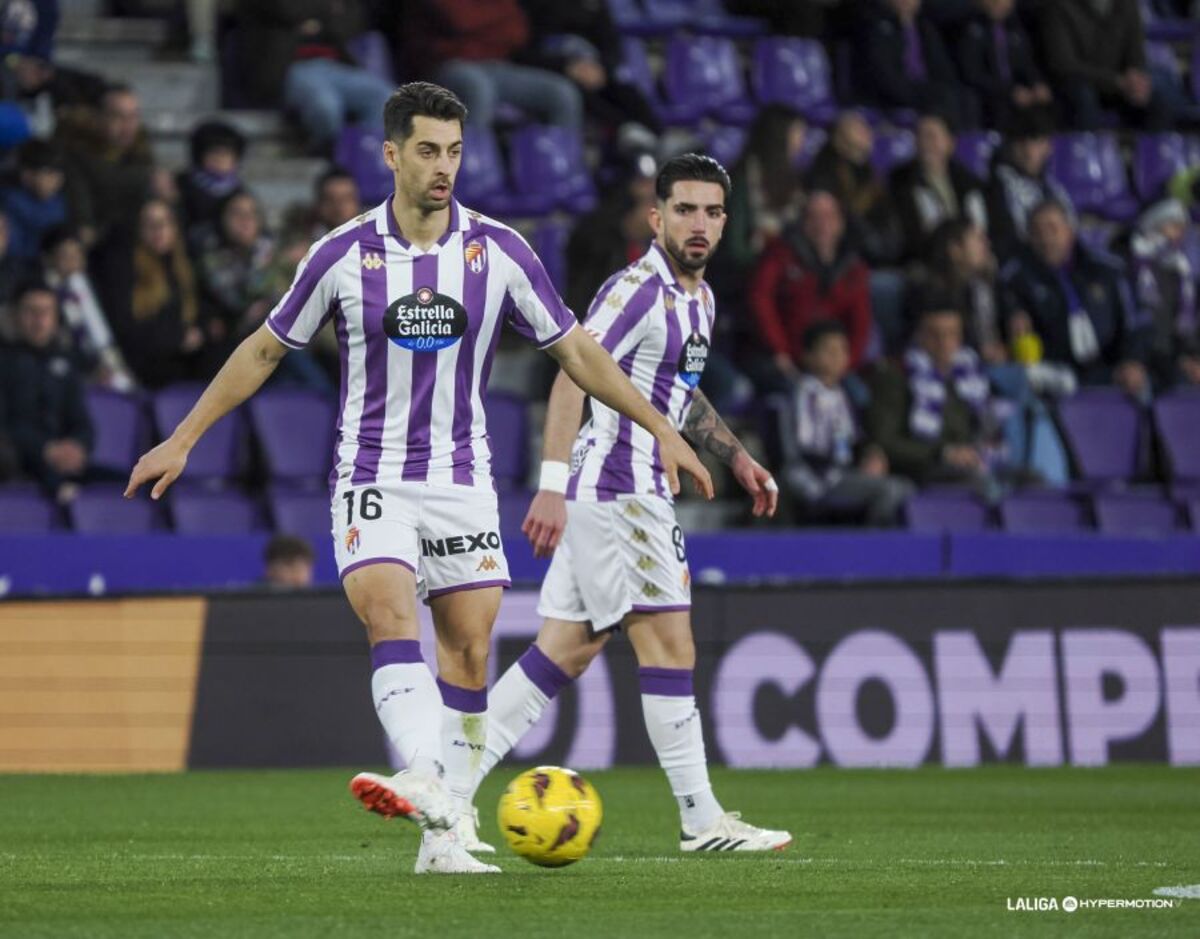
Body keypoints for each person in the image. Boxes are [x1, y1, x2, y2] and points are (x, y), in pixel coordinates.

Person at [123, 82, 712, 876]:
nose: (445, 168)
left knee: (468, 655)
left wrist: (661, 425)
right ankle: (429, 776)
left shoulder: (500, 251)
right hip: (372, 477)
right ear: (392, 154)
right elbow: (265, 348)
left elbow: (576, 353)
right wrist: (184, 437)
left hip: (463, 481)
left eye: (456, 151)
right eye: (429, 151)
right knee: (390, 615)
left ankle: (442, 837)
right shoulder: (340, 253)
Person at [465, 153, 789, 855]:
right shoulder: (636, 289)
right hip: (619, 486)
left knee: (563, 652)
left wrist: (734, 455)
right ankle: (702, 820)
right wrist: (550, 482)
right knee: (672, 644)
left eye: (710, 211)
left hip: (621, 489)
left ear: (725, 222)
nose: (697, 224)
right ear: (656, 217)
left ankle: (445, 788)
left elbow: (677, 390)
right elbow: (572, 373)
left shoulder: (698, 299)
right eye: (683, 210)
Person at [1000, 200, 1150, 398]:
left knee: (1146, 388)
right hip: (1060, 374)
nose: (1046, 238)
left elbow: (1136, 321)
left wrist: (1133, 360)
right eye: (1037, 232)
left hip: (1112, 368)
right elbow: (1012, 317)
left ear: (1069, 230)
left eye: (1052, 229)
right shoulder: (1017, 279)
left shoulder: (1107, 270)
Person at [866, 306, 1010, 491]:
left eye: (951, 334)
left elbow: (984, 430)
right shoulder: (895, 376)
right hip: (922, 466)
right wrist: (943, 453)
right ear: (919, 336)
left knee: (1031, 481)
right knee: (981, 483)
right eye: (934, 334)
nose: (944, 342)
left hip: (969, 462)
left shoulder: (970, 377)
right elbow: (885, 440)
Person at [783, 321, 913, 525]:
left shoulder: (841, 394)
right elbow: (808, 448)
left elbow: (851, 439)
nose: (837, 357)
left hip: (841, 474)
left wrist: (871, 454)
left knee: (904, 486)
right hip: (817, 479)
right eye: (829, 350)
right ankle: (872, 547)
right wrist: (852, 465)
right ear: (808, 356)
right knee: (891, 489)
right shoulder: (805, 392)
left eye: (842, 350)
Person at [748, 191, 873, 392]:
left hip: (834, 363)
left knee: (860, 396)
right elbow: (760, 299)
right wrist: (779, 350)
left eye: (829, 216)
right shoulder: (780, 254)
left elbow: (861, 323)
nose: (822, 224)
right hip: (786, 359)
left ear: (841, 222)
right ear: (802, 222)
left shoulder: (854, 268)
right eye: (814, 217)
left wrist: (844, 364)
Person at [234, 0, 394, 151]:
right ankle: (330, 153)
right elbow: (286, 8)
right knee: (326, 105)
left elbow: (353, 22)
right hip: (292, 67)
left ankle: (364, 156)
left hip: (336, 66)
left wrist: (315, 20)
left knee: (387, 98)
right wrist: (329, 9)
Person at [399, 0, 583, 131]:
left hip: (495, 66)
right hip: (444, 65)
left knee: (561, 93)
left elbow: (518, 31)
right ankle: (468, 171)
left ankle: (555, 176)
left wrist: (484, 24)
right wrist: (496, 20)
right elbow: (461, 19)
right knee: (477, 87)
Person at [92, 198, 207, 389]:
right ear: (139, 229)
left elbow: (198, 313)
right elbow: (126, 328)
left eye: (165, 222)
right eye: (150, 223)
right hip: (145, 364)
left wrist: (200, 332)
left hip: (183, 359)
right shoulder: (123, 267)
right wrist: (177, 338)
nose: (159, 230)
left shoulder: (184, 266)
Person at [0, 281, 92, 502]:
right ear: (15, 316)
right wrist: (45, 450)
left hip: (63, 462)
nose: (39, 319)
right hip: (20, 461)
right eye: (31, 311)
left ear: (56, 318)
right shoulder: (3, 363)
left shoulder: (66, 362)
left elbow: (82, 422)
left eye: (46, 311)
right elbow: (4, 426)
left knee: (131, 483)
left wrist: (77, 446)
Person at [1040, 0, 1173, 131]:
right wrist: (1116, 81)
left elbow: (1136, 55)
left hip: (1119, 87)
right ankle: (1087, 149)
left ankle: (1153, 151)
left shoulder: (1127, 4)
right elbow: (1063, 64)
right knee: (1083, 96)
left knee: (1158, 93)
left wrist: (1135, 77)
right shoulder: (1058, 6)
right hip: (1078, 84)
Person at [41, 225, 136, 390]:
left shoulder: (96, 285)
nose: (73, 261)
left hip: (116, 362)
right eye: (65, 255)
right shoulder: (46, 295)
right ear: (50, 259)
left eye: (77, 253)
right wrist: (91, 369)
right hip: (79, 375)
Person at [888, 110, 987, 262]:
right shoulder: (901, 181)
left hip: (967, 258)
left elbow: (980, 226)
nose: (925, 143)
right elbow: (909, 235)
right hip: (925, 261)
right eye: (920, 136)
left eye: (932, 136)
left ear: (950, 143)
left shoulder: (968, 182)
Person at [805, 111, 899, 266]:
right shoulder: (825, 170)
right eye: (856, 127)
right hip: (843, 259)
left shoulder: (870, 173)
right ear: (838, 138)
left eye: (865, 126)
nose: (866, 130)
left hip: (878, 255)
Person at [854, 0, 969, 127]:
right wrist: (922, 95)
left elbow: (943, 69)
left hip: (928, 91)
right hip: (897, 96)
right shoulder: (875, 27)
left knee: (963, 97)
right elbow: (885, 77)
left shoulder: (925, 27)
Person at [1123, 199, 1200, 389]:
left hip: (1173, 361)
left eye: (1182, 228)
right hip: (1138, 362)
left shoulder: (1181, 271)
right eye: (1173, 226)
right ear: (1154, 226)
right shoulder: (1129, 265)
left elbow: (1188, 324)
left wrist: (1192, 357)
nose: (1179, 234)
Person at [985, 106, 1074, 263]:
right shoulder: (997, 186)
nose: (1029, 151)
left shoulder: (1054, 187)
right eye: (1021, 143)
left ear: (1048, 146)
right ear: (1010, 147)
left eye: (1036, 142)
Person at [956, 0, 1051, 129]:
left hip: (1017, 90)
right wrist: (1009, 92)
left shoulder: (1016, 29)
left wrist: (1036, 83)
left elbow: (1027, 65)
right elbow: (972, 74)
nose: (999, 3)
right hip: (990, 93)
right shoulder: (970, 28)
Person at [176, 119, 247, 246]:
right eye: (214, 152)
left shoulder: (240, 192)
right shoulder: (181, 185)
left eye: (227, 153)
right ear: (200, 155)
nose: (220, 158)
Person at [0, 138, 69, 262]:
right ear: (27, 175)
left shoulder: (58, 203)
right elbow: (13, 249)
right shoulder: (9, 202)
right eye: (49, 173)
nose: (56, 180)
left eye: (59, 173)